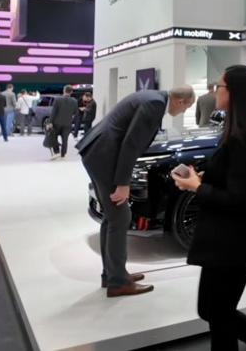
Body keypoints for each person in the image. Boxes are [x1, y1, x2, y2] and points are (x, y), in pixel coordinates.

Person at [172, 66, 246, 351]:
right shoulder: (244, 134)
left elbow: (238, 198)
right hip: (232, 239)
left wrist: (197, 187)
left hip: (232, 242)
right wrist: (204, 179)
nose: (216, 91)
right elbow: (237, 183)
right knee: (216, 311)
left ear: (235, 93)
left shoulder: (243, 140)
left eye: (220, 86)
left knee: (216, 311)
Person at [77, 85, 195, 297]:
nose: (183, 112)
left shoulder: (153, 97)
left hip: (97, 153)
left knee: (112, 216)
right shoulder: (155, 104)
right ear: (180, 101)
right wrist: (123, 183)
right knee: (120, 217)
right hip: (103, 156)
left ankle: (112, 274)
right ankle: (118, 282)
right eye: (186, 107)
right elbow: (131, 144)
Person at [49, 86, 79, 159]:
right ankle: (63, 154)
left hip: (56, 123)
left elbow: (53, 112)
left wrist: (50, 122)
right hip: (68, 123)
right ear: (71, 92)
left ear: (64, 90)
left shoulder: (57, 99)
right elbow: (75, 113)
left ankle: (57, 152)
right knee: (65, 139)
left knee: (54, 137)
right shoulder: (74, 101)